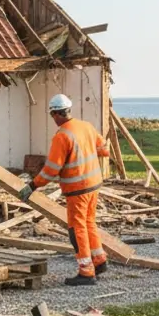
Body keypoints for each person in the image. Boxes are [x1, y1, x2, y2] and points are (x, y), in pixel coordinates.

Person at [24, 94, 111, 286]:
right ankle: (99, 260)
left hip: (77, 189)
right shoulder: (86, 126)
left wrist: (33, 185)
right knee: (89, 223)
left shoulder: (62, 136)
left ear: (55, 114)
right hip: (94, 185)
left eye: (52, 115)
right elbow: (104, 150)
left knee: (76, 228)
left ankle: (86, 272)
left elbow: (51, 170)